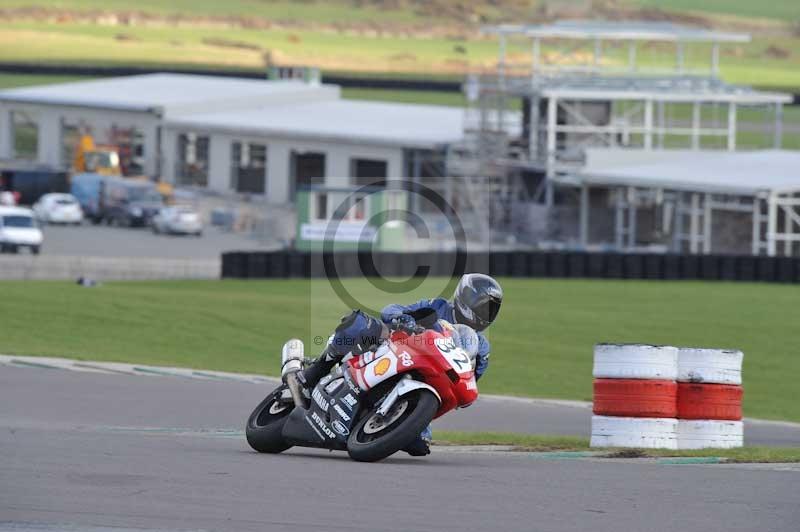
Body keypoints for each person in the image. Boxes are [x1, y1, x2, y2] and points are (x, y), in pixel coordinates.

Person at [298, 273, 503, 456]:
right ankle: (315, 373)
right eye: (483, 305)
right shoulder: (437, 306)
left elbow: (470, 377)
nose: (486, 313)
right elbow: (394, 309)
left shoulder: (481, 346)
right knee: (361, 325)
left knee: (419, 445)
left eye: (491, 309)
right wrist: (403, 319)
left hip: (430, 379)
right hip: (398, 349)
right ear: (466, 298)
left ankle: (395, 420)